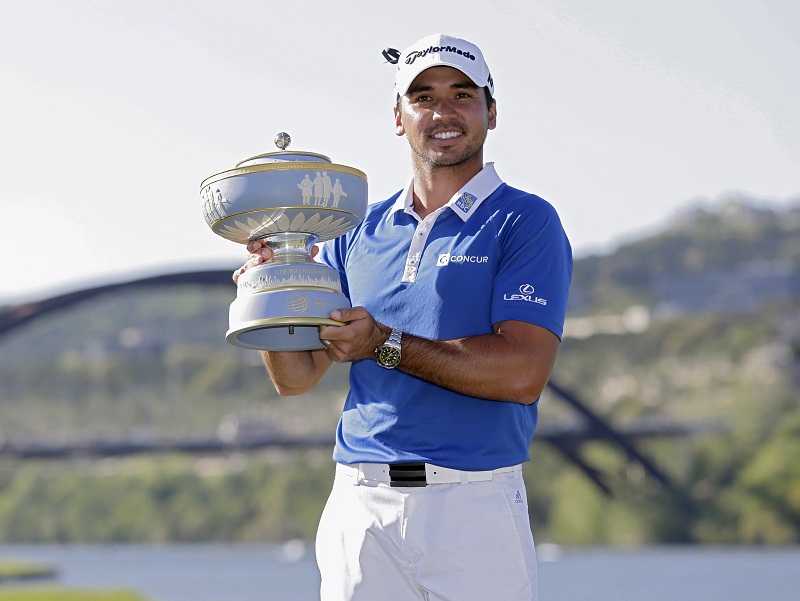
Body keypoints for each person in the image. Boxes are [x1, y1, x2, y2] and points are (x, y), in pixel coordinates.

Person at [235, 33, 572, 601]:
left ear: (492, 112)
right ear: (399, 117)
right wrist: (277, 287)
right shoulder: (355, 230)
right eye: (423, 97)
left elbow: (520, 374)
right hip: (360, 501)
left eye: (462, 95)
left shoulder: (524, 221)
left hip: (472, 506)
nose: (443, 112)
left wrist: (384, 344)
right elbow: (295, 378)